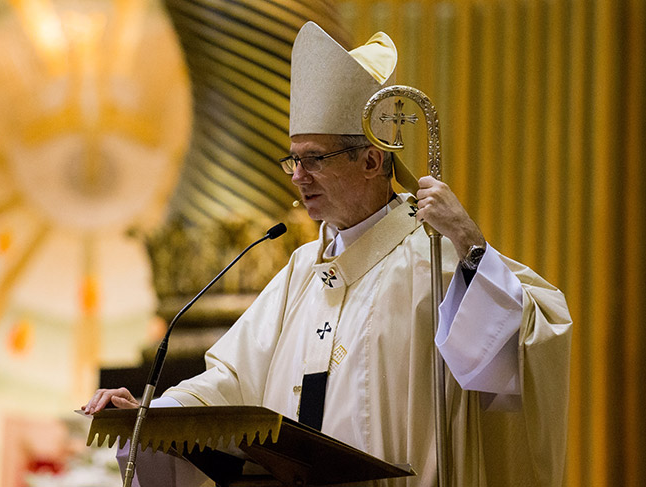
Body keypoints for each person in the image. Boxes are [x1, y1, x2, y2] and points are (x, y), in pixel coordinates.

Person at [83, 21, 571, 487]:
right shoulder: (300, 271)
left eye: (315, 158)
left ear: (372, 161)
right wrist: (153, 416)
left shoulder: (436, 260)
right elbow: (231, 382)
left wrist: (469, 240)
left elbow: (521, 351)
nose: (297, 175)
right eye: (294, 158)